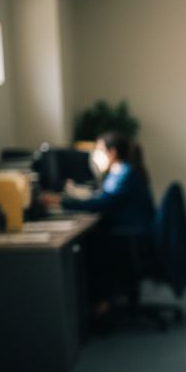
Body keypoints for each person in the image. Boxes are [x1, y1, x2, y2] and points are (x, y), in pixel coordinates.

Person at [40, 131, 155, 311]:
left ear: (113, 152)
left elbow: (102, 203)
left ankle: (101, 302)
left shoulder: (125, 173)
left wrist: (60, 201)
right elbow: (104, 197)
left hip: (131, 236)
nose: (95, 155)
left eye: (99, 150)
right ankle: (102, 300)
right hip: (129, 231)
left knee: (89, 246)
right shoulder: (121, 171)